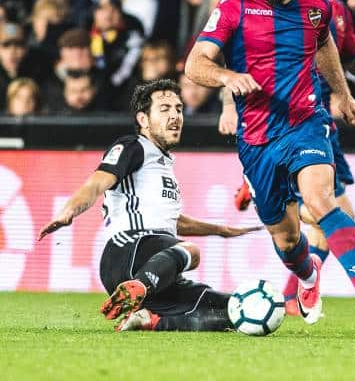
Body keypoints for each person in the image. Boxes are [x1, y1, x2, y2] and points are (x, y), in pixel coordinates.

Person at [184, 0, 355, 331]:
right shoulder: (235, 4)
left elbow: (326, 48)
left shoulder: (316, 7)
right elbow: (196, 64)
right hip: (257, 138)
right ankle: (307, 276)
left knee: (322, 200)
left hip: (306, 123)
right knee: (286, 237)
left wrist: (344, 96)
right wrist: (228, 79)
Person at [37, 79, 259, 332]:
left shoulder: (162, 163)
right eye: (164, 109)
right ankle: (137, 289)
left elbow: (172, 222)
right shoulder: (134, 146)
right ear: (143, 119)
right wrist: (70, 210)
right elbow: (97, 183)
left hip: (158, 267)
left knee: (235, 311)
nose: (175, 115)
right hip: (128, 251)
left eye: (178, 108)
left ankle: (149, 319)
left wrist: (221, 230)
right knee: (192, 253)